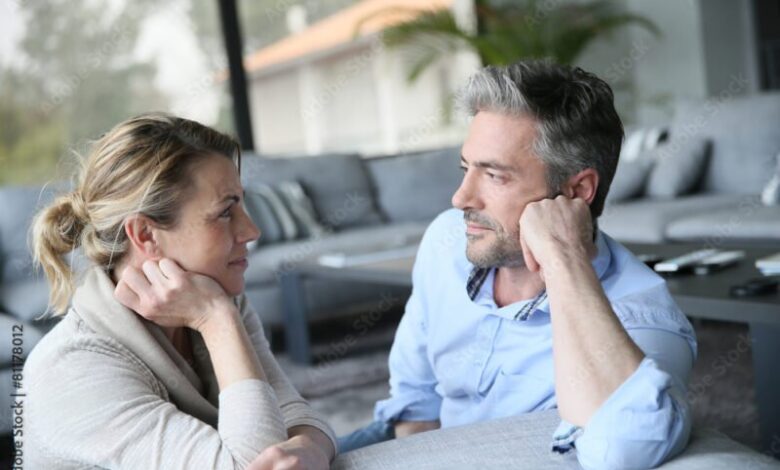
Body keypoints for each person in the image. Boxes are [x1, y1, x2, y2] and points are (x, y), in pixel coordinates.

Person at [339, 61, 697, 469]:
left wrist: (563, 257)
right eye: (465, 168)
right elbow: (416, 397)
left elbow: (625, 450)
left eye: (494, 176)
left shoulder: (641, 315)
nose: (461, 198)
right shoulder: (446, 240)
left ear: (577, 191)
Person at [23, 113, 336, 469]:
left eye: (242, 205)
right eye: (225, 212)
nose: (252, 231)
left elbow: (297, 416)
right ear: (145, 235)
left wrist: (311, 448)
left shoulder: (216, 295)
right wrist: (217, 321)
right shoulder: (73, 370)